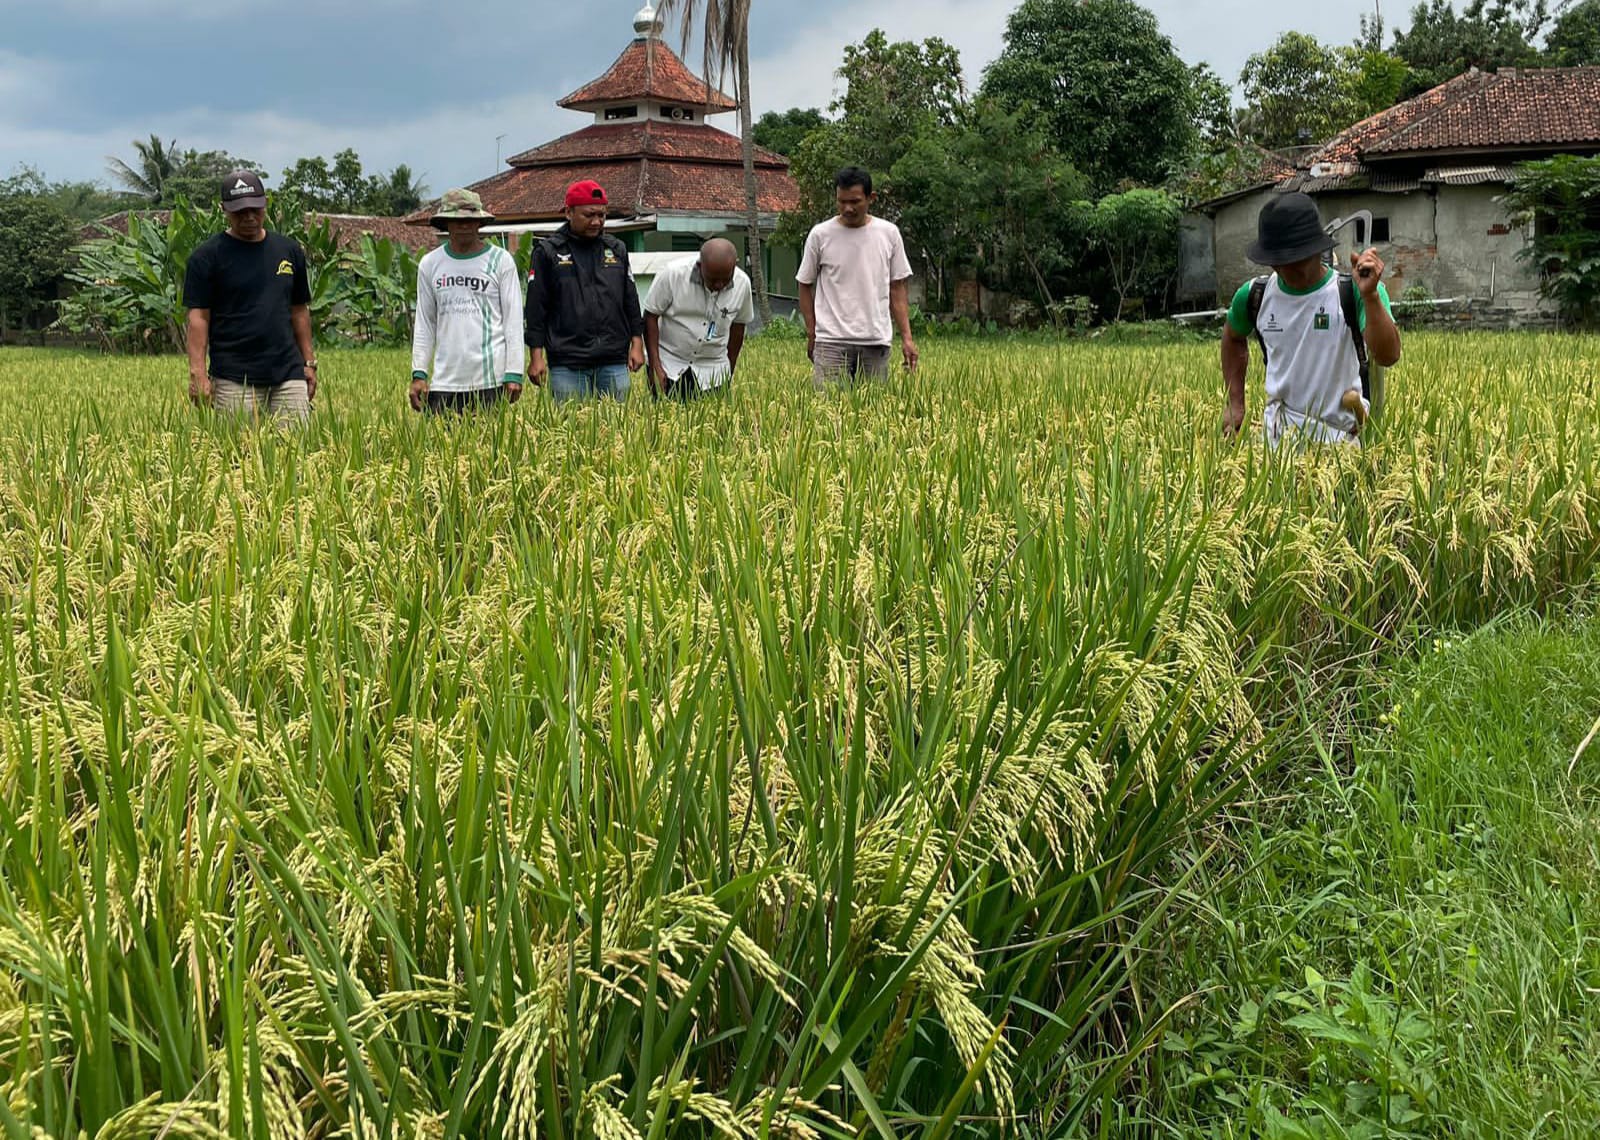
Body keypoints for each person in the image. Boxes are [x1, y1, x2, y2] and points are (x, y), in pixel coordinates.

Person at [1222, 192, 1402, 447]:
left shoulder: (1351, 292)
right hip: (1279, 442)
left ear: (1317, 251)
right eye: (1277, 261)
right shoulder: (1255, 296)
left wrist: (1370, 297)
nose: (1284, 269)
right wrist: (1235, 402)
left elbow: (1389, 355)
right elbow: (1232, 337)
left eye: (1294, 259)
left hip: (1340, 444)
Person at [183, 171, 317, 424]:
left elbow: (299, 310)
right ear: (224, 209)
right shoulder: (206, 258)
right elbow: (198, 318)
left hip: (288, 374)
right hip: (234, 378)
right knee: (238, 455)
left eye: (255, 209)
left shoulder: (289, 251)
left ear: (265, 204)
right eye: (239, 212)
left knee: (297, 453)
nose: (249, 217)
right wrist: (198, 374)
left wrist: (309, 361)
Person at [796, 166, 918, 387]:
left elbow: (897, 288)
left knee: (872, 413)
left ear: (871, 198)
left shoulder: (889, 234)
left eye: (855, 201)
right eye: (841, 202)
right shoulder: (820, 235)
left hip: (875, 341)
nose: (847, 208)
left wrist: (907, 338)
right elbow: (804, 284)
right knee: (827, 412)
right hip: (831, 342)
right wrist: (812, 332)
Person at [524, 180, 645, 402]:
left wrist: (637, 343)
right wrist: (536, 356)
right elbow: (536, 307)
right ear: (569, 212)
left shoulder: (616, 249)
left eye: (602, 215)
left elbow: (630, 298)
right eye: (589, 215)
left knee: (619, 431)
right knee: (571, 431)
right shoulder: (548, 252)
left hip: (613, 359)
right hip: (567, 362)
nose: (597, 221)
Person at [409, 189, 525, 414]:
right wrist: (419, 373)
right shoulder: (430, 264)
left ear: (479, 223)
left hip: (489, 381)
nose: (464, 226)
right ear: (446, 223)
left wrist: (514, 372)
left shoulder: (500, 261)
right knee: (440, 447)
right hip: (445, 381)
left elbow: (513, 321)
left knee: (491, 447)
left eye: (470, 220)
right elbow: (425, 323)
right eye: (457, 220)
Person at [642, 237, 754, 399]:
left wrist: (728, 370)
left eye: (725, 279)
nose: (719, 285)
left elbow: (738, 327)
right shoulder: (672, 274)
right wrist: (655, 365)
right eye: (713, 279)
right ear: (700, 266)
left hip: (713, 371)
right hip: (670, 366)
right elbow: (650, 317)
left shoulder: (743, 283)